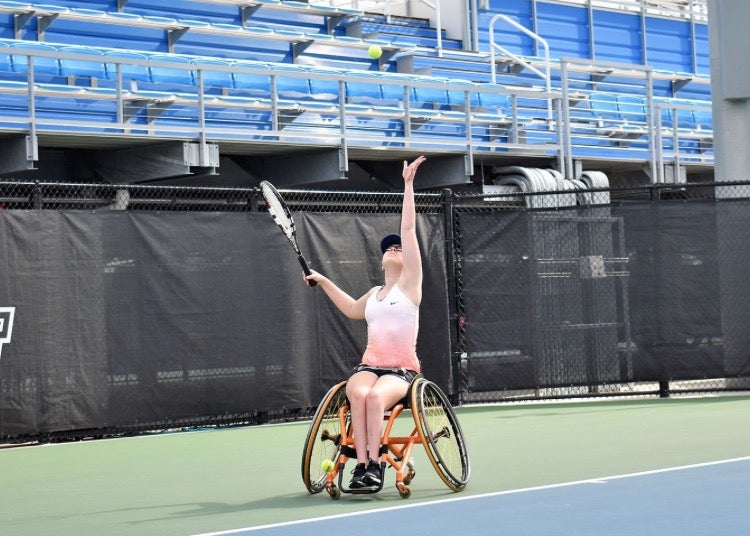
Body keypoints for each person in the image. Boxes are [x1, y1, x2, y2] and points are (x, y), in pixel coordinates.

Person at [304, 155, 426, 489]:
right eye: (389, 248)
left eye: (399, 248)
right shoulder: (374, 294)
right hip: (368, 367)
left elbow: (409, 228)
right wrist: (324, 281)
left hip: (402, 373)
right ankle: (362, 465)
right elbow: (351, 310)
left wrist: (408, 184)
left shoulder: (411, 286)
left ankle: (375, 466)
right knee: (357, 394)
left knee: (374, 399)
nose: (395, 249)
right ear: (382, 259)